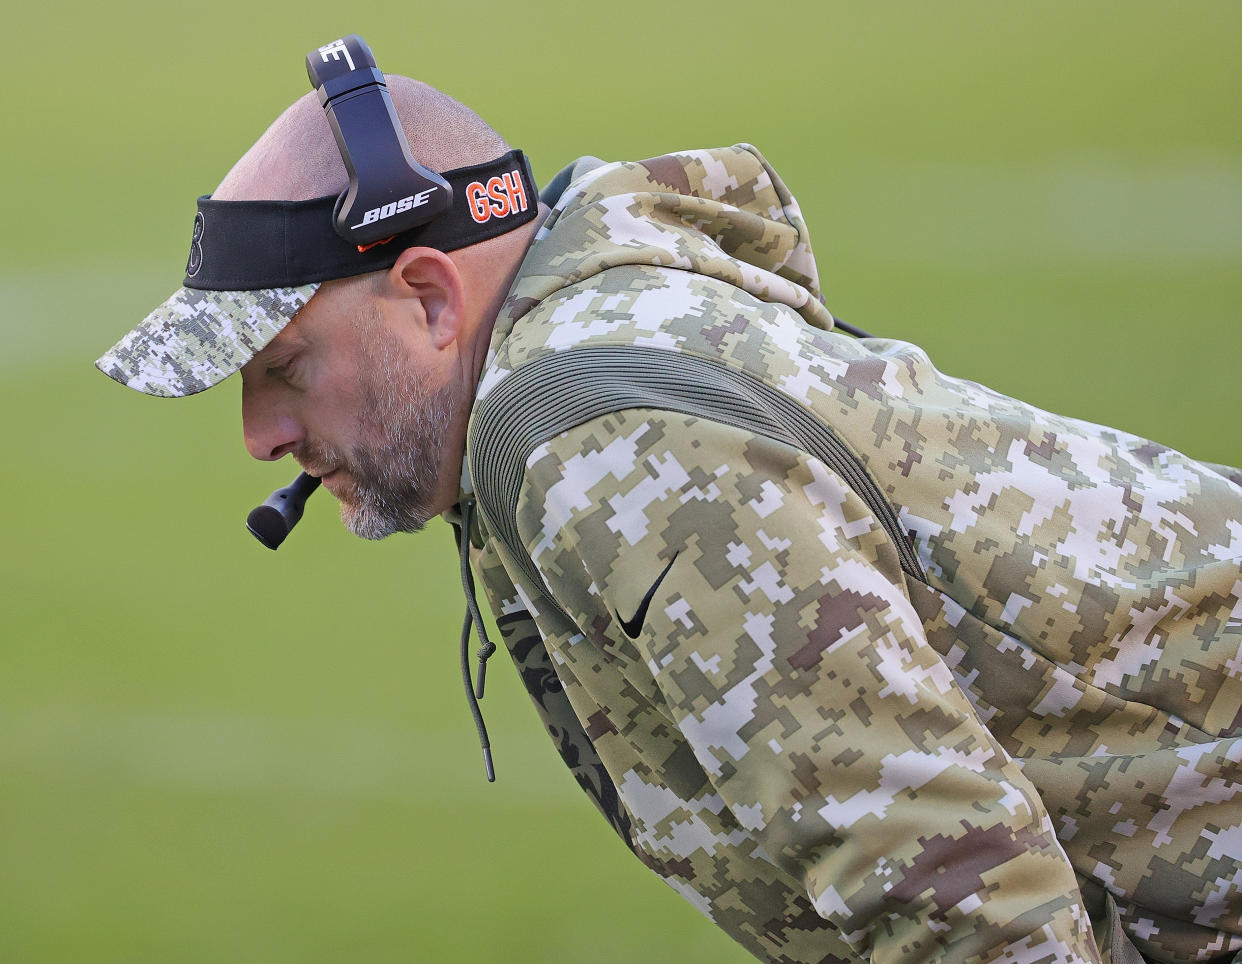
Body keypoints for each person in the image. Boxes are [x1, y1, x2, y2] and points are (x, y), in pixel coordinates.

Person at [96, 73, 1242, 964]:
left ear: (434, 299)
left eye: (285, 367)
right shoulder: (589, 330)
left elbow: (953, 882)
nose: (259, 436)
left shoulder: (603, 444)